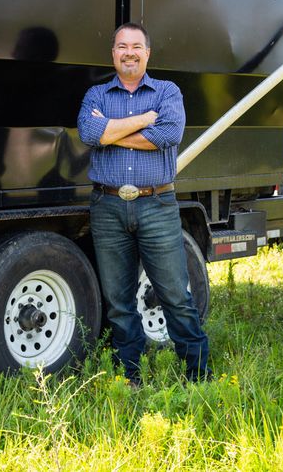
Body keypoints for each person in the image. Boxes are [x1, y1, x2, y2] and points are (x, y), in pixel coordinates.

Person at [77, 22, 210, 386]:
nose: (129, 52)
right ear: (113, 54)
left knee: (175, 295)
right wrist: (143, 121)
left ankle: (198, 376)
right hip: (108, 207)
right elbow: (90, 134)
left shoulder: (167, 91)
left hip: (157, 205)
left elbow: (169, 134)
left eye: (136, 46)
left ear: (147, 53)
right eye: (122, 46)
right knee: (119, 302)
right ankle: (129, 376)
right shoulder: (97, 94)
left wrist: (112, 131)